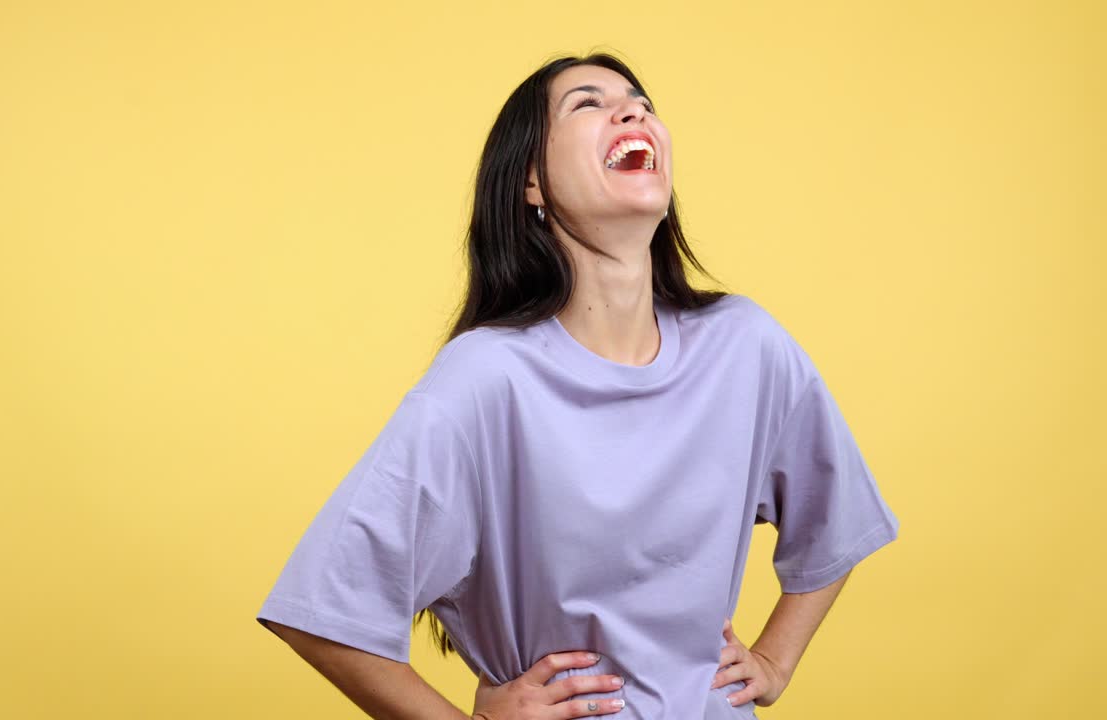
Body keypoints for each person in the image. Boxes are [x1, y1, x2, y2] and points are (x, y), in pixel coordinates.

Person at [255, 52, 900, 720]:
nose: (633, 111)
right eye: (588, 103)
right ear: (531, 181)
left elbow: (839, 515)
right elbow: (322, 608)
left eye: (642, 103)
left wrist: (774, 660)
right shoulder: (486, 380)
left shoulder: (747, 346)